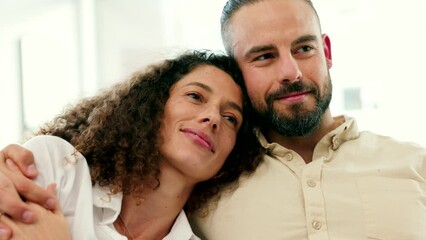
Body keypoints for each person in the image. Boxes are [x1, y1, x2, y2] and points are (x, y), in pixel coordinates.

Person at [1, 0, 426, 239]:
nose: (291, 72)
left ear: (327, 51)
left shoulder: (415, 165)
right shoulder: (58, 170)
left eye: (304, 48)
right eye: (263, 55)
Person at [0, 50, 262, 239]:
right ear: (153, 107)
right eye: (195, 96)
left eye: (231, 118)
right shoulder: (56, 164)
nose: (213, 117)